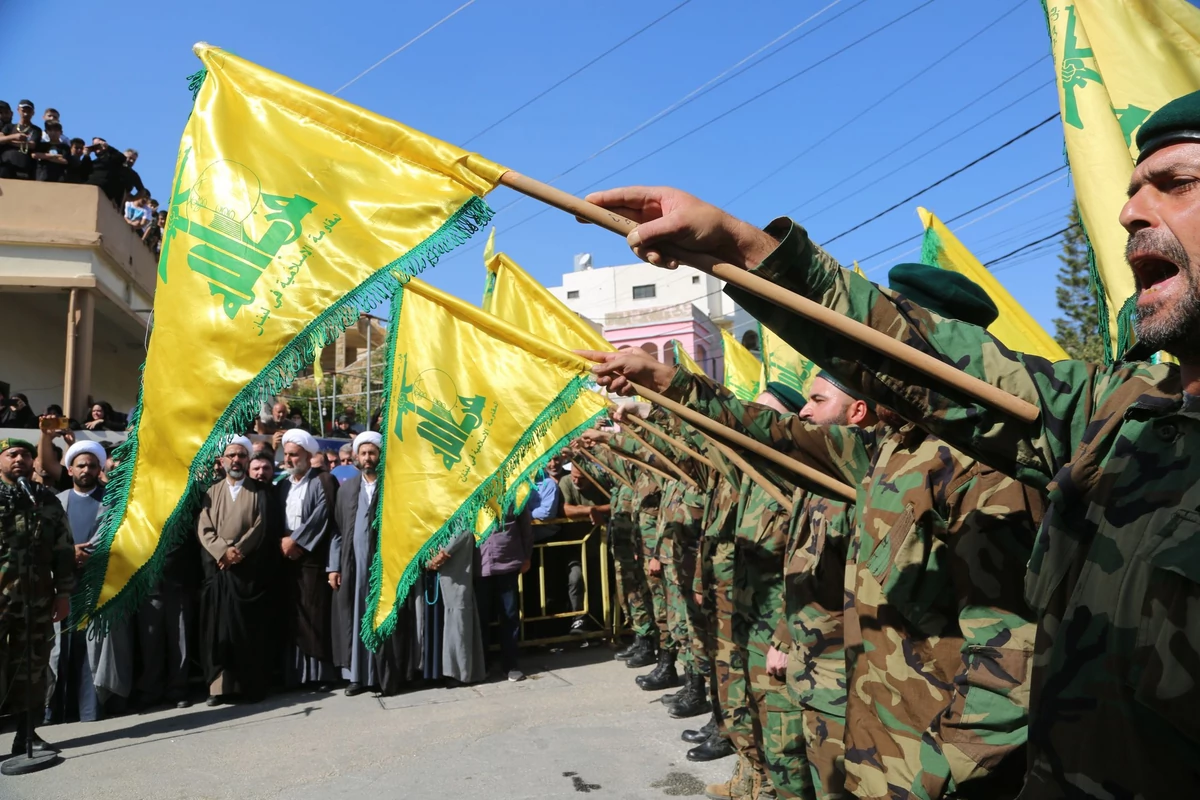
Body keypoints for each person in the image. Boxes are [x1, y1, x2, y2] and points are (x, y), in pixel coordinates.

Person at [586, 186, 1048, 797]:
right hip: (868, 737)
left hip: (929, 765)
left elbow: (1011, 657)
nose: (860, 356)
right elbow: (766, 436)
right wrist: (668, 381)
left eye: (881, 339)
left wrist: (927, 778)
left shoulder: (988, 467)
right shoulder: (883, 450)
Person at [46, 440, 135, 724]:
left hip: (99, 582)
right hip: (64, 585)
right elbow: (45, 540)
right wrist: (68, 553)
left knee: (94, 647)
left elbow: (121, 535)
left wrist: (89, 554)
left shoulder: (113, 502)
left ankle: (91, 708)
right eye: (81, 465)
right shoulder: (57, 501)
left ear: (100, 469)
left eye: (92, 465)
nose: (86, 470)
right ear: (70, 468)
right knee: (62, 645)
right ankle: (57, 710)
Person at [0, 438, 74, 756]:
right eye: (11, 454)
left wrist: (64, 593)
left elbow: (64, 550)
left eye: (26, 454)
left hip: (38, 599)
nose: (20, 459)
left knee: (33, 665)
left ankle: (26, 734)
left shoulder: (46, 499)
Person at [329, 432, 412, 696]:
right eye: (363, 453)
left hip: (386, 568)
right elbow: (337, 531)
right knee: (355, 617)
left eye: (372, 453)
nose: (367, 458)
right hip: (353, 567)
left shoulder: (394, 486)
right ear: (356, 457)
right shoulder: (347, 489)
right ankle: (357, 676)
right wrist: (334, 566)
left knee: (384, 619)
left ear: (380, 455)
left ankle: (385, 675)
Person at [197, 436, 277, 706]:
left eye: (241, 456)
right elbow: (204, 528)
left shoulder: (260, 492)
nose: (236, 460)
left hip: (247, 572)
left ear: (248, 460)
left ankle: (247, 687)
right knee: (218, 631)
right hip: (218, 571)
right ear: (222, 461)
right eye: (231, 455)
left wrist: (237, 551)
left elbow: (260, 526)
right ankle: (219, 689)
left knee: (246, 631)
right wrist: (222, 551)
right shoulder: (211, 491)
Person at [277, 429, 337, 689]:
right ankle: (294, 675)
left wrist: (295, 541)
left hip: (311, 558)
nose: (289, 459)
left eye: (294, 454)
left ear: (307, 455)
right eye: (286, 454)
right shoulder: (283, 485)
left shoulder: (323, 480)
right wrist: (282, 542)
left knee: (314, 615)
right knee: (291, 615)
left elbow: (321, 517)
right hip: (285, 558)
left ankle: (319, 675)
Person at [477, 504, 534, 682]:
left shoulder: (513, 496)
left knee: (509, 617)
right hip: (479, 566)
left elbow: (526, 527)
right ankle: (482, 665)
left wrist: (527, 557)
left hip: (507, 564)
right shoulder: (471, 494)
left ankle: (510, 665)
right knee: (480, 619)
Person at [558, 461, 610, 634]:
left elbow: (614, 505)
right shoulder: (566, 482)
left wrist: (591, 509)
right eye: (574, 477)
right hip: (574, 544)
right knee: (576, 578)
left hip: (598, 544)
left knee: (598, 583)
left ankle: (599, 623)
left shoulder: (600, 482)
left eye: (581, 478)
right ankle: (578, 619)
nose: (577, 481)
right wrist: (590, 511)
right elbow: (565, 510)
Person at [0, 100, 42, 180]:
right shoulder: (9, 127)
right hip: (6, 167)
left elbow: (32, 145)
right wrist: (14, 136)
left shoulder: (35, 130)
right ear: (18, 110)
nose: (26, 113)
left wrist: (8, 141)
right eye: (23, 110)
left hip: (24, 168)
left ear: (33, 112)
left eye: (29, 111)